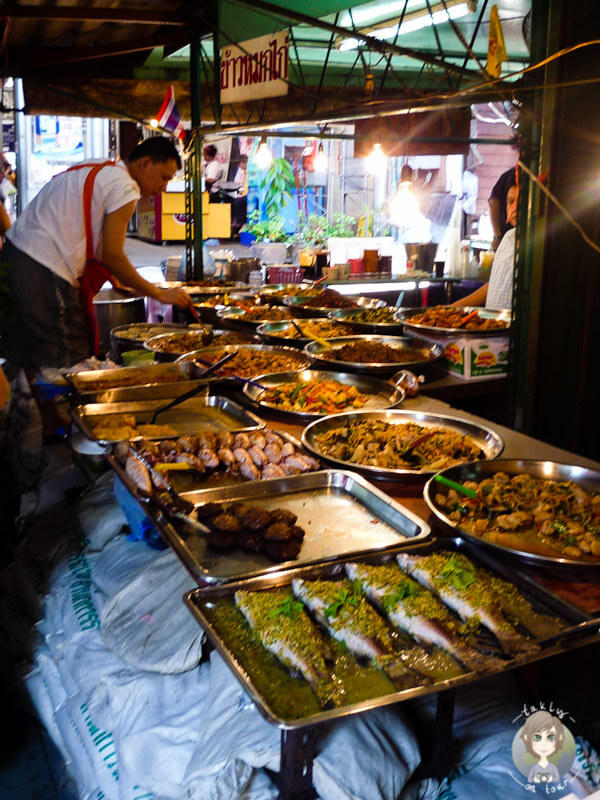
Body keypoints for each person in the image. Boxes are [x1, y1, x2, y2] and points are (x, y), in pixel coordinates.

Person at [0, 135, 195, 439]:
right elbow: (113, 255)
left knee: (30, 350)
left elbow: (95, 240)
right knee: (72, 357)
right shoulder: (126, 187)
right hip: (44, 265)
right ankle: (90, 439)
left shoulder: (95, 168)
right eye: (164, 177)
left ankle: (52, 424)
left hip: (12, 257)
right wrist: (158, 292)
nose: (164, 188)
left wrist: (117, 278)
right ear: (144, 164)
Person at [453, 182, 517, 309]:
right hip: (493, 323)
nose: (514, 208)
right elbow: (494, 284)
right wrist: (452, 308)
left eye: (520, 201)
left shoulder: (537, 242)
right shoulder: (508, 237)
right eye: (511, 202)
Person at [520, 710, 564, 783]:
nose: (544, 743)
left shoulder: (553, 767)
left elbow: (556, 778)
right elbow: (530, 779)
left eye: (551, 737)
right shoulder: (534, 767)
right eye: (537, 737)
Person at [488, 166, 516, 250]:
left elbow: (493, 203)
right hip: (505, 235)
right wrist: (497, 237)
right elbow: (493, 203)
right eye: (511, 202)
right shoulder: (510, 175)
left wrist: (497, 237)